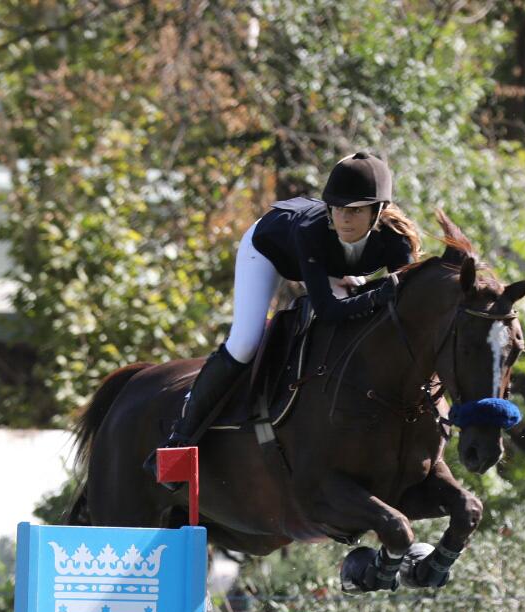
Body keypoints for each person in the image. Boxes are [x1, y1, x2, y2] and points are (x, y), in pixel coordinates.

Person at [158, 151, 423, 453]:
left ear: (378, 211)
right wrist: (375, 295)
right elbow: (327, 310)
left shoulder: (396, 238)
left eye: (356, 211)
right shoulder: (312, 231)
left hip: (328, 265)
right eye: (337, 209)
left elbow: (407, 308)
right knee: (246, 342)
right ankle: (183, 432)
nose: (345, 219)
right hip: (269, 251)